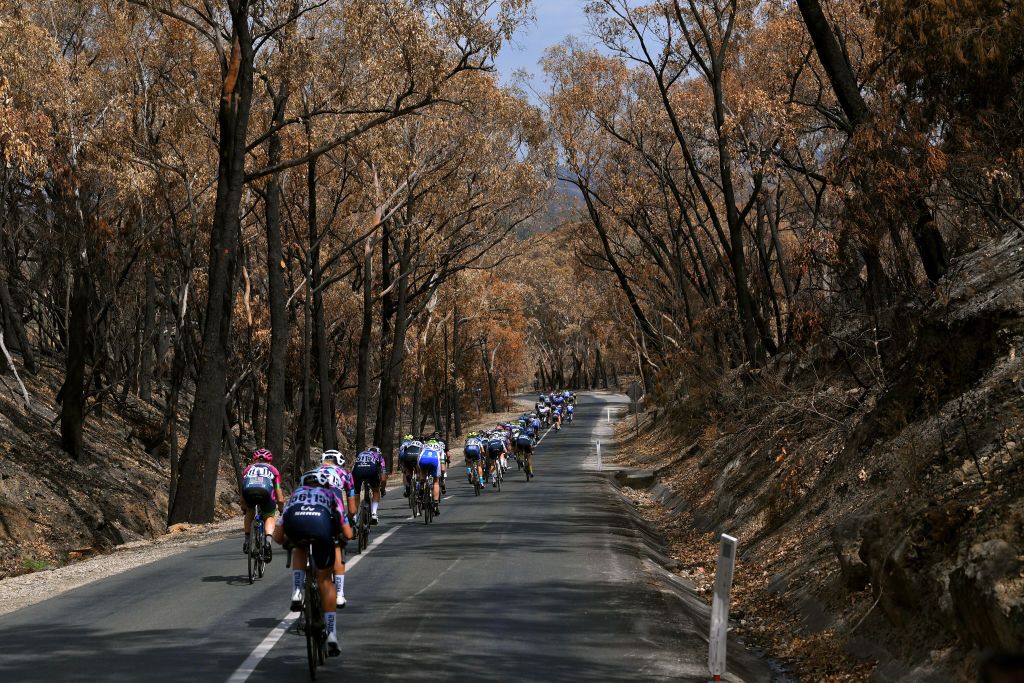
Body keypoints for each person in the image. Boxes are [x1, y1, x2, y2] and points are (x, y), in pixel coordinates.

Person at [273, 469, 352, 657]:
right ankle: (331, 634)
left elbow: (277, 536)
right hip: (321, 531)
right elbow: (348, 534)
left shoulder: (295, 496)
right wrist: (341, 538)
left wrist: (287, 543)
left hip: (296, 526)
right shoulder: (331, 495)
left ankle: (297, 591)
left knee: (298, 546)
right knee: (325, 581)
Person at [318, 450, 355, 608]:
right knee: (337, 547)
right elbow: (352, 509)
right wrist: (351, 518)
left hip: (307, 510)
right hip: (334, 510)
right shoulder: (345, 474)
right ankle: (339, 594)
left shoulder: (312, 472)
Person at [240, 448, 283, 561]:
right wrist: (281, 506)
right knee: (269, 516)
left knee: (249, 511)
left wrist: (243, 506)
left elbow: (242, 488)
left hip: (248, 492)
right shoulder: (273, 470)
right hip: (265, 493)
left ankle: (247, 540)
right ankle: (268, 542)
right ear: (270, 461)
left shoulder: (248, 469)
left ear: (254, 460)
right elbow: (278, 491)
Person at [351, 446, 387, 525]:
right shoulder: (379, 456)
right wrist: (382, 489)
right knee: (376, 491)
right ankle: (374, 514)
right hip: (371, 470)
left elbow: (353, 468)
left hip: (357, 471)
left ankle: (354, 516)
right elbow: (383, 477)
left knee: (356, 493)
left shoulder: (361, 454)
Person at [416, 440, 443, 515]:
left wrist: (419, 473)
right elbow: (443, 464)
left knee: (423, 475)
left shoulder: (423, 445)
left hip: (423, 459)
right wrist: (442, 474)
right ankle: (435, 505)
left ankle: (421, 490)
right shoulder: (440, 446)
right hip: (434, 460)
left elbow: (418, 458)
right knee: (436, 482)